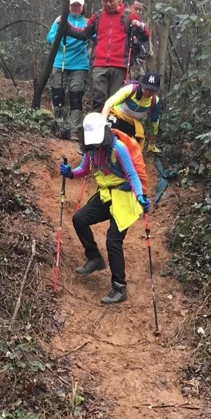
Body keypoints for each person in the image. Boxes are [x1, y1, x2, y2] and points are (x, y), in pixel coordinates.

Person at [60, 112, 150, 305]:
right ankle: (94, 258)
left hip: (124, 198)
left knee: (113, 241)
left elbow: (132, 174)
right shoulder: (90, 150)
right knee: (79, 219)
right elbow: (84, 170)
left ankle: (119, 287)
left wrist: (140, 195)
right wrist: (70, 173)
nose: (96, 143)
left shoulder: (118, 148)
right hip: (106, 196)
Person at [66, 0, 150, 111]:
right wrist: (66, 27)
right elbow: (84, 34)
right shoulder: (98, 16)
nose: (108, 4)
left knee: (115, 102)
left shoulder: (128, 15)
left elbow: (145, 37)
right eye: (105, 1)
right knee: (98, 100)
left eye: (111, 0)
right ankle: (95, 129)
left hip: (120, 66)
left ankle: (111, 130)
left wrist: (140, 27)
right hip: (99, 65)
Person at [46, 0, 90, 140]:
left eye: (78, 5)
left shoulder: (88, 23)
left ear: (83, 6)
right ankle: (60, 125)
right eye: (73, 5)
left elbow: (97, 36)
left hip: (79, 64)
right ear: (69, 6)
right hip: (61, 61)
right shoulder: (60, 20)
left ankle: (75, 128)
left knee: (76, 95)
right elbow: (50, 37)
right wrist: (58, 34)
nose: (76, 8)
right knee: (58, 93)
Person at [102, 72, 162, 153]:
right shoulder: (130, 89)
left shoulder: (155, 101)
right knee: (110, 127)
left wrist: (152, 144)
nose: (147, 93)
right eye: (146, 89)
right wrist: (102, 124)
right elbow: (109, 103)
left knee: (134, 146)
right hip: (116, 117)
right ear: (141, 85)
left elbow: (154, 123)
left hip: (131, 124)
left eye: (151, 91)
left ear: (156, 91)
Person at [129, 0, 150, 78]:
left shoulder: (141, 23)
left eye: (140, 10)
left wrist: (141, 26)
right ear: (130, 7)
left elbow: (146, 35)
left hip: (137, 59)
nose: (138, 12)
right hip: (125, 59)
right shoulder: (127, 18)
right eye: (136, 9)